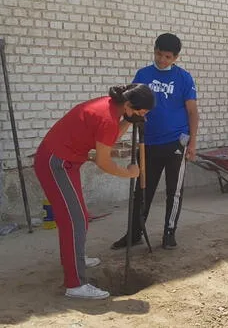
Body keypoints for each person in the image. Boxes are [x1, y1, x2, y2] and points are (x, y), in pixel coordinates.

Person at [34, 84, 155, 299]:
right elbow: (103, 160)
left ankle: (76, 258)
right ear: (128, 104)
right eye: (141, 112)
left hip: (64, 161)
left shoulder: (111, 107)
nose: (143, 117)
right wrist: (129, 173)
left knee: (78, 217)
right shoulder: (108, 118)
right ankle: (75, 285)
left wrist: (128, 120)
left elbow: (107, 138)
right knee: (75, 220)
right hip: (56, 164)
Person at [112, 33, 199, 251]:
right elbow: (131, 105)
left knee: (174, 191)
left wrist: (193, 143)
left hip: (176, 142)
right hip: (147, 143)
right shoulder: (143, 74)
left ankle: (169, 232)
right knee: (142, 190)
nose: (162, 60)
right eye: (159, 54)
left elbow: (192, 111)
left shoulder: (184, 78)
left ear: (176, 57)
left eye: (167, 57)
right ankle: (135, 233)